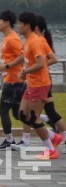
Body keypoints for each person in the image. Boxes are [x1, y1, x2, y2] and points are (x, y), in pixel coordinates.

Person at [16, 11, 59, 160]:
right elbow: (33, 61)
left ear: (27, 25)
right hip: (31, 84)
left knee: (34, 118)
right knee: (23, 114)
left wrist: (25, 71)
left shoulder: (35, 41)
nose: (18, 26)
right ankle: (53, 136)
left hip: (40, 84)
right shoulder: (28, 41)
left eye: (20, 23)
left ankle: (51, 150)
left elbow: (41, 63)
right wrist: (25, 72)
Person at [0, 10, 30, 150]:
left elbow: (22, 56)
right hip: (11, 79)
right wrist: (1, 66)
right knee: (17, 113)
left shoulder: (13, 39)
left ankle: (9, 139)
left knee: (3, 110)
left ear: (7, 22)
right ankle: (45, 120)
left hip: (14, 81)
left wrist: (7, 66)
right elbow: (9, 58)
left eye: (0, 20)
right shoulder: (6, 38)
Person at [36, 16, 66, 150]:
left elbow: (53, 58)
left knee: (33, 114)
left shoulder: (41, 40)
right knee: (50, 111)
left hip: (43, 80)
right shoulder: (37, 39)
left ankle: (57, 136)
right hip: (41, 79)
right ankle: (57, 133)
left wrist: (40, 66)